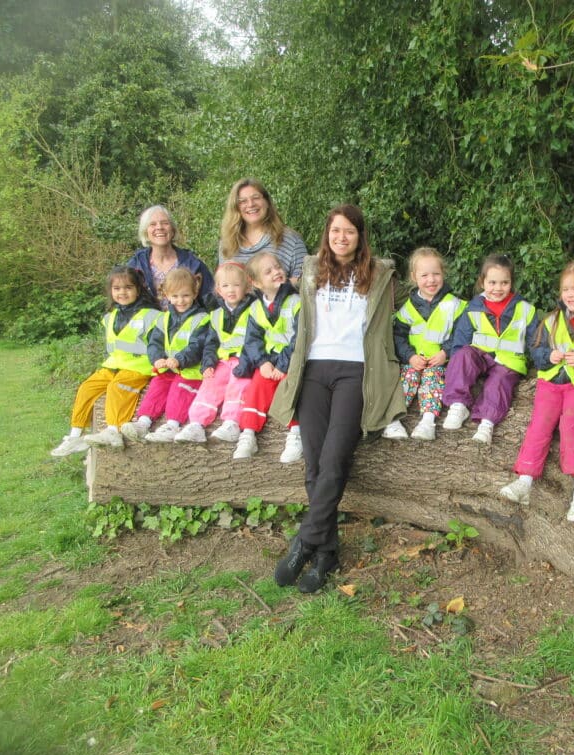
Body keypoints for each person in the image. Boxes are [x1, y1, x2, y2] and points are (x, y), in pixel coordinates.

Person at [270, 204, 405, 593]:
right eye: (335, 231)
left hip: (355, 372)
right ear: (327, 234)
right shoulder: (312, 269)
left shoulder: (380, 274)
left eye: (349, 231)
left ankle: (304, 541)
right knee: (313, 461)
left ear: (360, 236)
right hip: (313, 369)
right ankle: (327, 552)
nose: (341, 237)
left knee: (334, 458)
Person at [499, 258, 574, 521]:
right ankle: (525, 480)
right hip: (552, 382)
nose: (569, 295)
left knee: (571, 427)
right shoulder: (553, 320)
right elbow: (537, 351)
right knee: (539, 425)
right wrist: (549, 356)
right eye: (565, 289)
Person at [50, 267, 160, 456]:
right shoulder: (110, 317)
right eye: (117, 288)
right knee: (87, 387)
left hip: (138, 366)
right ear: (110, 291)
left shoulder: (152, 316)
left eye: (128, 287)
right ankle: (75, 434)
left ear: (138, 289)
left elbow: (158, 345)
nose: (122, 292)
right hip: (113, 365)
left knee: (117, 388)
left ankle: (113, 431)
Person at [440, 253, 538, 445]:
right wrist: (458, 363)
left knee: (499, 381)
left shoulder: (525, 309)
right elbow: (461, 340)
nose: (498, 288)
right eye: (492, 282)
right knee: (462, 355)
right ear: (482, 282)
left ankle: (487, 423)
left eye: (504, 283)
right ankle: (458, 405)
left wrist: (543, 365)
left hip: (508, 362)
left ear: (512, 283)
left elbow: (536, 342)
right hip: (480, 356)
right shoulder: (473, 307)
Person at [382, 246, 466, 441]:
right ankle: (392, 420)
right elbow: (398, 336)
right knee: (406, 379)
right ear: (414, 277)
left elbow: (462, 335)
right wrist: (409, 356)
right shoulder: (407, 308)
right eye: (424, 275)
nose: (431, 280)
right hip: (413, 360)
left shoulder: (455, 304)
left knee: (432, 380)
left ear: (443, 273)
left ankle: (427, 422)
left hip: (439, 362)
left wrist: (445, 353)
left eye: (436, 274)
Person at [119, 268, 210, 443]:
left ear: (195, 293)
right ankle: (143, 422)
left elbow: (197, 346)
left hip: (189, 371)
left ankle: (173, 425)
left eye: (185, 295)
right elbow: (154, 342)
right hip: (167, 369)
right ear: (166, 295)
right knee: (157, 387)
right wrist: (157, 358)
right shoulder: (163, 318)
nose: (180, 301)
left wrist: (180, 360)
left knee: (179, 391)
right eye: (175, 296)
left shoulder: (202, 318)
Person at [231, 252, 302, 462]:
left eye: (278, 267)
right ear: (256, 282)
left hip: (292, 361)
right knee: (257, 386)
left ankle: (296, 434)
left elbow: (300, 338)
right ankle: (248, 434)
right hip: (270, 362)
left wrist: (283, 365)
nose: (276, 272)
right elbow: (252, 341)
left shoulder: (296, 301)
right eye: (268, 271)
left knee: (294, 388)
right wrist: (262, 362)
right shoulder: (255, 308)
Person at [173, 262, 255, 443]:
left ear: (247, 286)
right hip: (222, 360)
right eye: (225, 286)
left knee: (239, 384)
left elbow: (256, 339)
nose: (231, 290)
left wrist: (247, 362)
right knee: (210, 383)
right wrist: (208, 363)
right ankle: (196, 424)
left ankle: (232, 422)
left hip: (245, 360)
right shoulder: (216, 314)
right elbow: (211, 343)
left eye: (236, 285)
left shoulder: (254, 310)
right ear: (218, 289)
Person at [218, 178, 308, 284]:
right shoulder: (227, 244)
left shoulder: (291, 239)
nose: (251, 204)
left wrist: (273, 287)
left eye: (256, 198)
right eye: (243, 201)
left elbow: (305, 282)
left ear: (267, 202)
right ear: (235, 208)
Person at [127, 205, 213, 309]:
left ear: (172, 230)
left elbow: (210, 302)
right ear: (146, 232)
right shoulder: (136, 265)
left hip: (186, 324)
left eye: (165, 223)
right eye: (153, 224)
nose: (159, 227)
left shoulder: (193, 264)